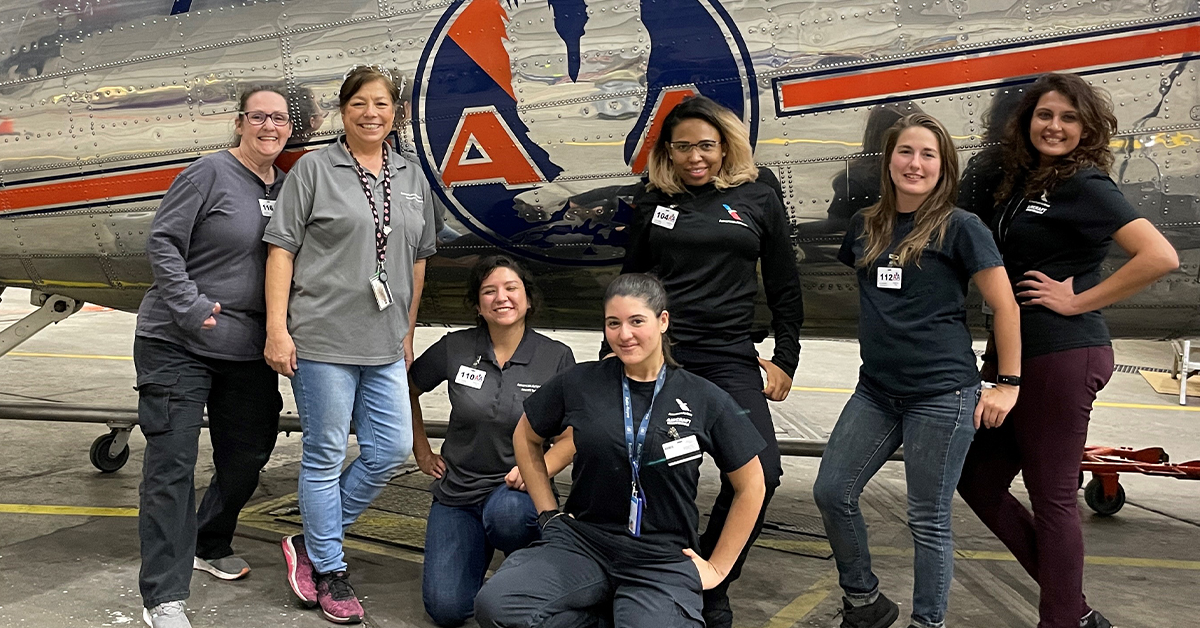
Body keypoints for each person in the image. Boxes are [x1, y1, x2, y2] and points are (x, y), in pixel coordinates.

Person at [956, 73, 1179, 628]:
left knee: (1052, 496)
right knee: (977, 481)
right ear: (1027, 122)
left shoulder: (1085, 183)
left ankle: (1060, 620)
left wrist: (1079, 301)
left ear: (1086, 128)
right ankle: (1073, 610)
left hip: (1061, 352)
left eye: (1068, 118)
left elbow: (1159, 256)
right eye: (1045, 115)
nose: (1054, 127)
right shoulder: (1026, 182)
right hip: (1017, 355)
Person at [813, 113, 1022, 628]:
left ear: (944, 168)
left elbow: (1006, 306)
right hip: (876, 392)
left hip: (941, 394)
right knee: (832, 491)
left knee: (927, 519)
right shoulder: (865, 224)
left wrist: (1008, 384)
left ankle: (928, 623)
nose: (915, 163)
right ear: (888, 161)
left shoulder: (962, 228)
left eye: (928, 154)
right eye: (906, 152)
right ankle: (865, 601)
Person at [474, 273, 767, 628]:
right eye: (614, 323)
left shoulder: (703, 397)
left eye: (636, 321)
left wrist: (719, 566)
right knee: (497, 607)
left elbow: (752, 483)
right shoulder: (581, 383)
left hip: (661, 557)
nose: (624, 334)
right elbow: (526, 437)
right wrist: (547, 513)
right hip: (584, 542)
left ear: (663, 321)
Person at [618, 95, 803, 628]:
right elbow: (632, 284)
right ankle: (660, 581)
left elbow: (786, 289)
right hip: (665, 357)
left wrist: (785, 358)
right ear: (668, 152)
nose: (695, 157)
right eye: (683, 147)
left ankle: (710, 575)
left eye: (706, 145)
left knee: (761, 472)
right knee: (652, 470)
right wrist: (617, 352)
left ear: (725, 145)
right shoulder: (653, 201)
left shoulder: (758, 197)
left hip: (729, 360)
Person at [263, 64, 438, 625]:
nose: (371, 113)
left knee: (388, 451)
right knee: (324, 454)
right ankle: (332, 569)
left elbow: (417, 262)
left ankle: (312, 545)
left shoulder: (411, 176)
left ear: (397, 113)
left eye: (382, 104)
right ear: (344, 111)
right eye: (360, 103)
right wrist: (276, 329)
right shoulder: (315, 168)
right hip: (322, 338)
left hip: (384, 343)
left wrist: (407, 333)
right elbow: (282, 250)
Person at [133, 85, 292, 628]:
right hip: (178, 341)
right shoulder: (208, 173)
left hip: (247, 348)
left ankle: (209, 538)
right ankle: (164, 598)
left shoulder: (290, 187)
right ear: (240, 122)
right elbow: (162, 242)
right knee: (171, 466)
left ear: (291, 128)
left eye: (280, 118)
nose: (269, 126)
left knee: (247, 454)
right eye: (258, 117)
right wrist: (189, 304)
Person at [407, 255, 576, 627]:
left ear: (528, 299)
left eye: (511, 288)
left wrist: (538, 470)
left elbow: (571, 435)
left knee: (508, 517)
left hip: (516, 492)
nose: (502, 297)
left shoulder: (555, 357)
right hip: (457, 493)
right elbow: (407, 388)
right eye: (490, 291)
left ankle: (529, 578)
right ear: (478, 305)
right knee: (447, 610)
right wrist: (421, 449)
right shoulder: (455, 347)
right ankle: (481, 570)